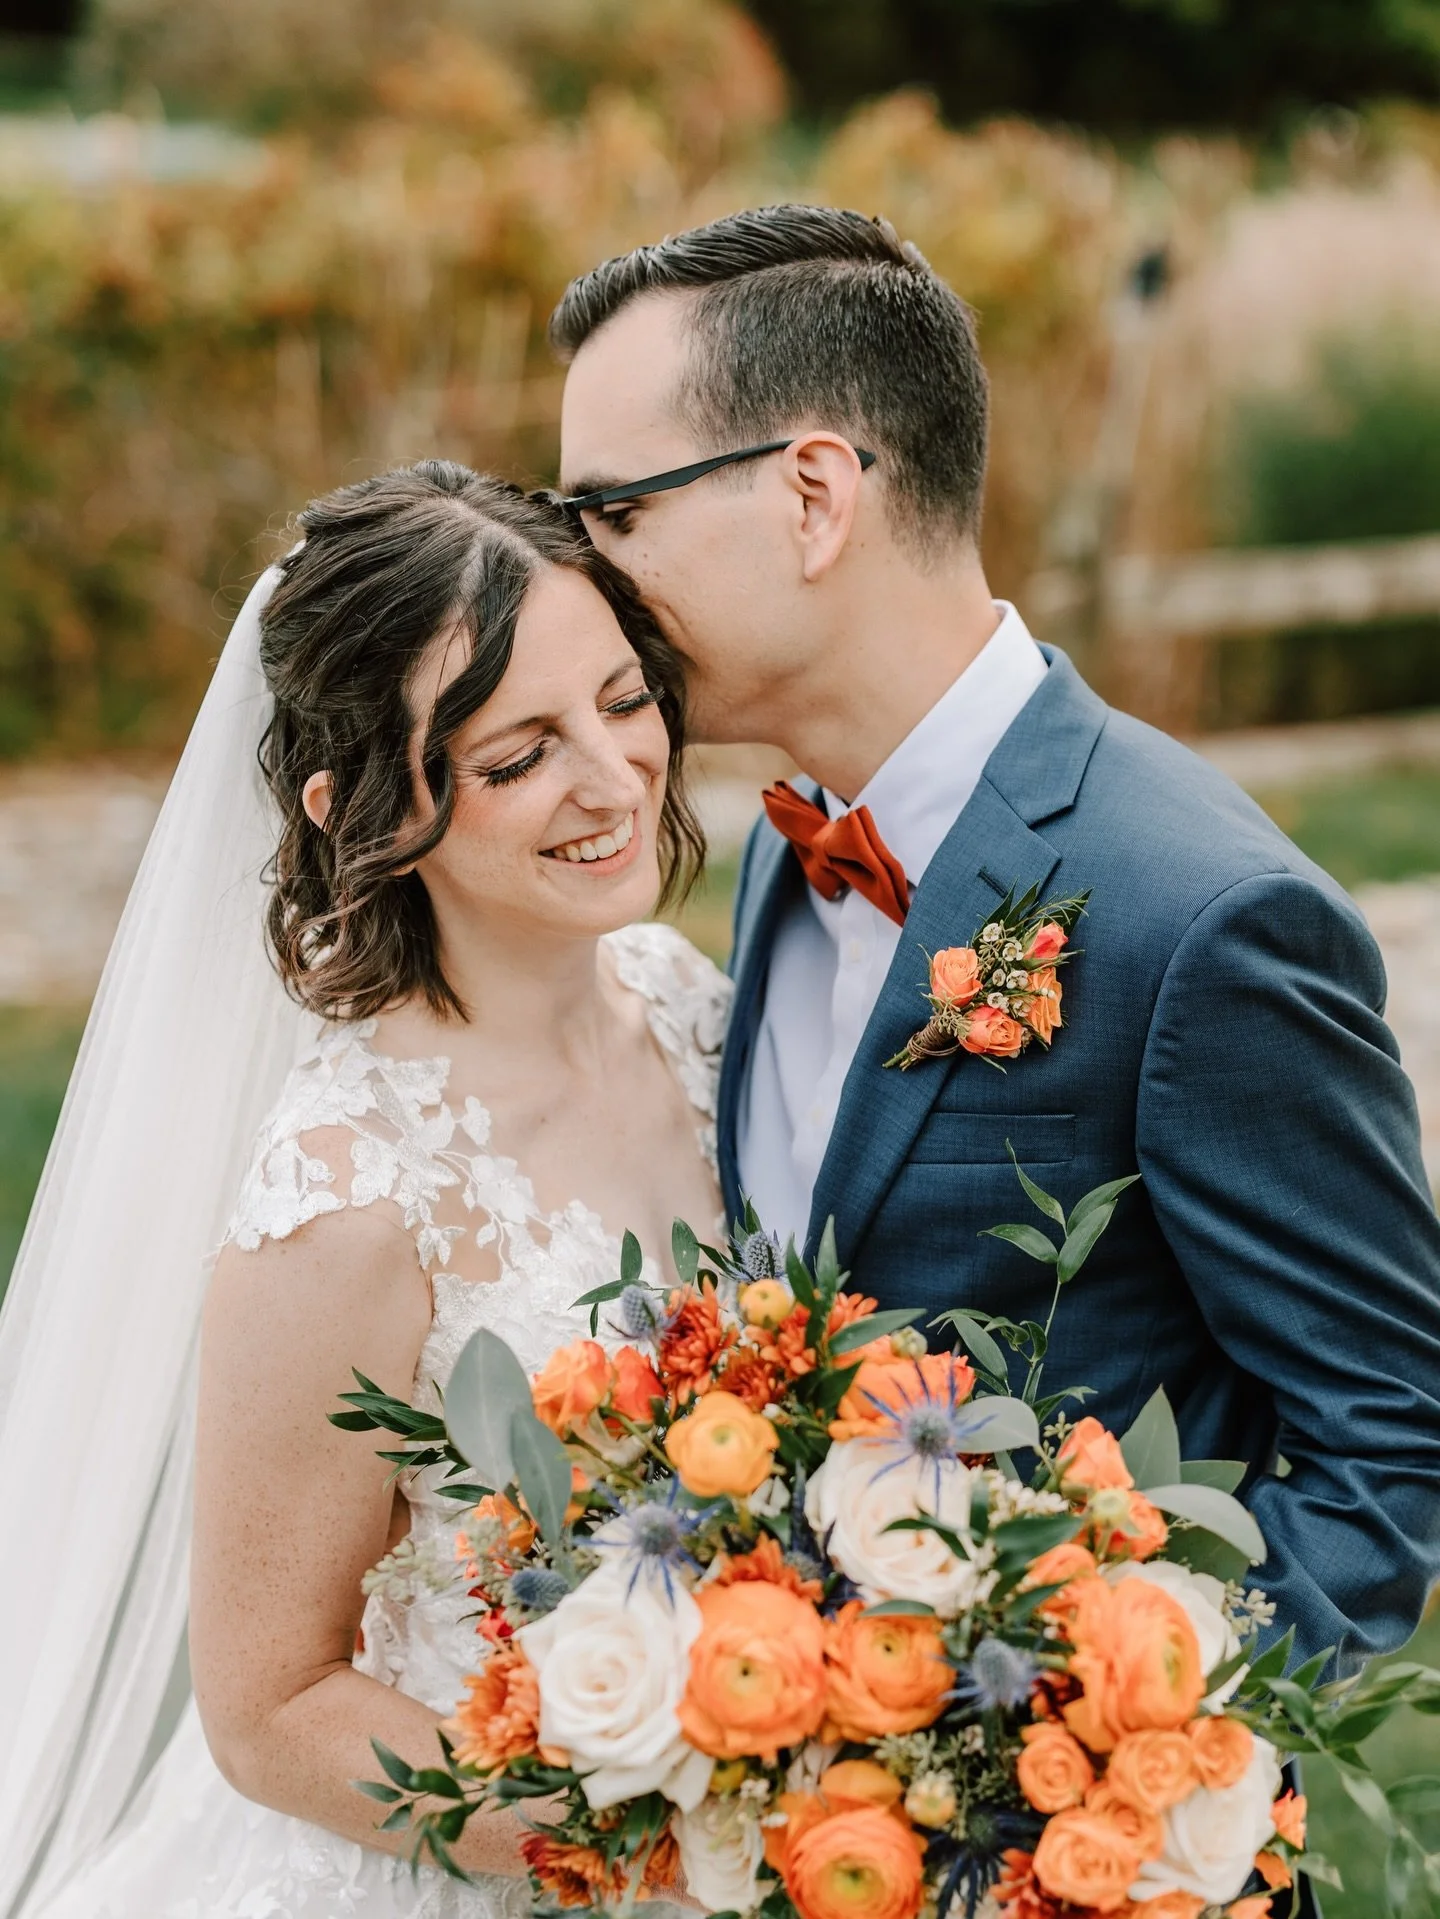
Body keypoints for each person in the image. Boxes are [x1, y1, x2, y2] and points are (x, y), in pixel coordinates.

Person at [550, 203, 1440, 1682]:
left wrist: (1101, 1742)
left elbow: (1396, 1440)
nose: (578, 575)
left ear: (814, 494)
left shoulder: (1202, 917)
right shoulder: (788, 838)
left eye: (615, 513)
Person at [0, 464, 722, 1915]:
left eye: (622, 700)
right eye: (517, 755)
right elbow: (270, 1709)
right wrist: (641, 1835)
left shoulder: (685, 999)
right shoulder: (346, 1201)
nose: (610, 777)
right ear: (362, 807)